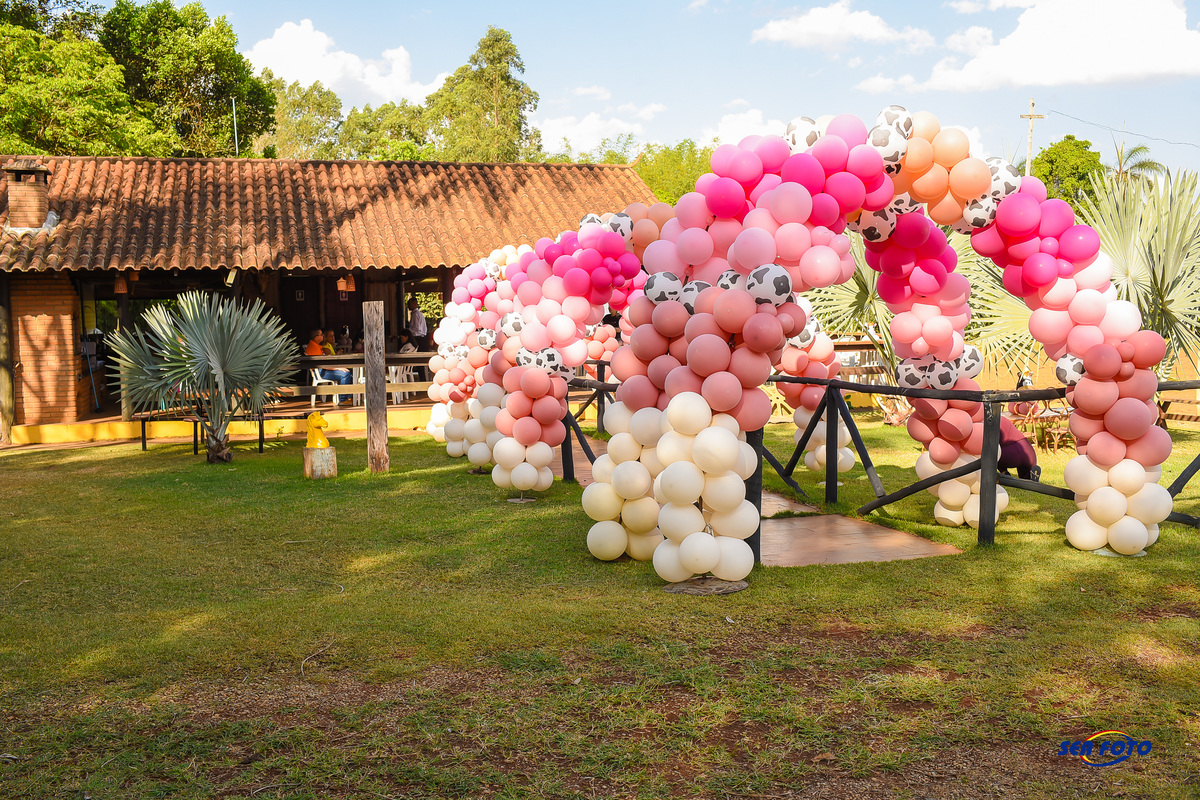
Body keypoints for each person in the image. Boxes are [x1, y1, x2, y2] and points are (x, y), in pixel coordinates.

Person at [306, 328, 353, 404]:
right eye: (321, 334)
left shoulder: (315, 345)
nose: (323, 335)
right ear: (316, 338)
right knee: (345, 374)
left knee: (349, 372)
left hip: (323, 370)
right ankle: (343, 399)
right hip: (320, 372)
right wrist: (338, 368)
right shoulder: (313, 348)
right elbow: (323, 365)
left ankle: (349, 397)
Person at [998, 414, 1040, 481]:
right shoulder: (1001, 419)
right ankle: (1032, 477)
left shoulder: (989, 423)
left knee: (990, 454)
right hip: (1029, 452)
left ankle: (1004, 474)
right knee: (1026, 482)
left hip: (1012, 454)